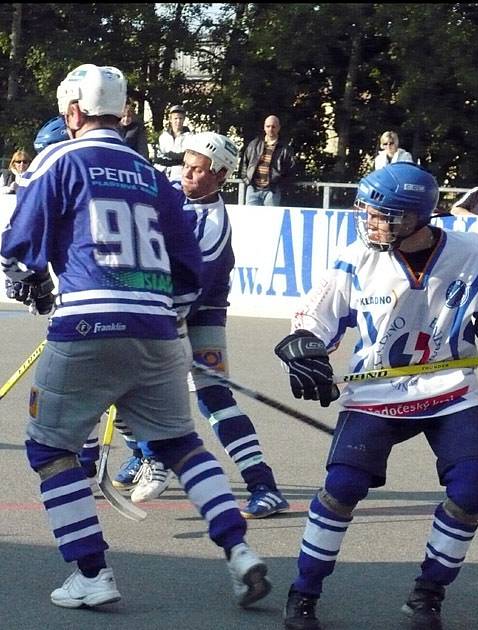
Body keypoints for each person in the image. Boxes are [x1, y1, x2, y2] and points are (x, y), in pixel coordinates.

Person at [0, 63, 270, 610]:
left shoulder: (60, 157)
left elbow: (17, 244)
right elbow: (189, 267)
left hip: (86, 326)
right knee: (182, 444)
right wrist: (164, 319)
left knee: (49, 448)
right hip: (158, 331)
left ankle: (92, 572)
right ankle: (240, 552)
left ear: (73, 109)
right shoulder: (149, 171)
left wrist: (28, 283)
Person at [274, 162, 478, 630]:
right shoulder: (357, 257)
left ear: (416, 219)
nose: (370, 223)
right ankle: (304, 591)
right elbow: (313, 318)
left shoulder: (471, 252)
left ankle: (428, 593)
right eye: (369, 214)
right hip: (376, 392)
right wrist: (303, 348)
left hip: (449, 392)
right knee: (342, 489)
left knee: (472, 490)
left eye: (382, 216)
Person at [117, 131, 290, 519]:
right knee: (121, 382)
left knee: (213, 397)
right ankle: (146, 455)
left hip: (200, 310)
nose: (188, 175)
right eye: (186, 166)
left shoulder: (213, 225)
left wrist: (167, 332)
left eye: (199, 170)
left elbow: (191, 287)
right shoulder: (171, 189)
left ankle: (264, 485)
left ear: (222, 176)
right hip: (158, 304)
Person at [241, 114, 295, 206]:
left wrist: (280, 186)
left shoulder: (285, 149)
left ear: (278, 128)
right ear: (264, 127)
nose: (271, 129)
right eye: (268, 126)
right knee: (250, 219)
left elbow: (291, 170)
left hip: (272, 191)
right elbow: (245, 163)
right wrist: (247, 181)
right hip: (253, 189)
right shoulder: (254, 144)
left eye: (273, 127)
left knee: (271, 219)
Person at [154, 104, 192, 181]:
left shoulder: (190, 137)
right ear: (170, 119)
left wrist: (171, 157)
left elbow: (186, 156)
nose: (178, 121)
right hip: (162, 172)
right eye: (175, 118)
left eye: (180, 118)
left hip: (179, 174)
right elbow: (158, 157)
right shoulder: (163, 136)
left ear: (184, 119)